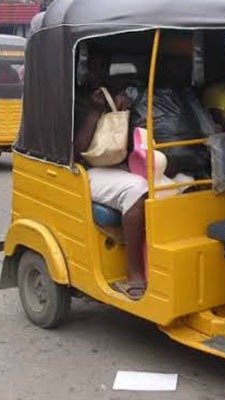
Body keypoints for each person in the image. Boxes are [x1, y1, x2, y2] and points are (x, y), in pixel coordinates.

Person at [73, 46, 148, 300]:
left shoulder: (117, 95)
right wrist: (96, 111)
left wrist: (122, 111)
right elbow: (79, 150)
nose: (99, 72)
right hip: (85, 171)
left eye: (104, 66)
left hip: (117, 165)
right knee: (137, 188)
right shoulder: (78, 100)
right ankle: (134, 273)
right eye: (93, 66)